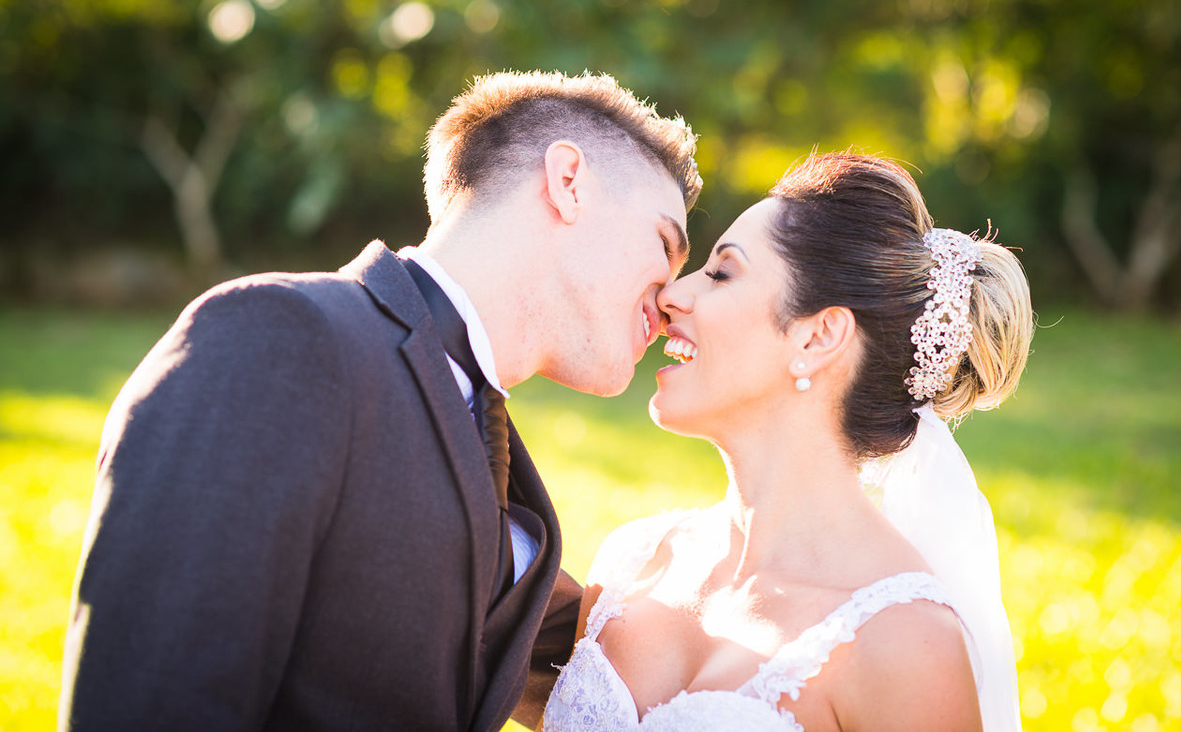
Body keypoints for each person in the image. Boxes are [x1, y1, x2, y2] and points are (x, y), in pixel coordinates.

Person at [58, 70, 701, 732]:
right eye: (664, 246)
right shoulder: (280, 336)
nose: (673, 298)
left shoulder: (486, 442)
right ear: (569, 183)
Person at [542, 151, 1032, 731]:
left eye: (722, 272)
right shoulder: (636, 560)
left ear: (818, 337)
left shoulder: (902, 641)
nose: (673, 294)